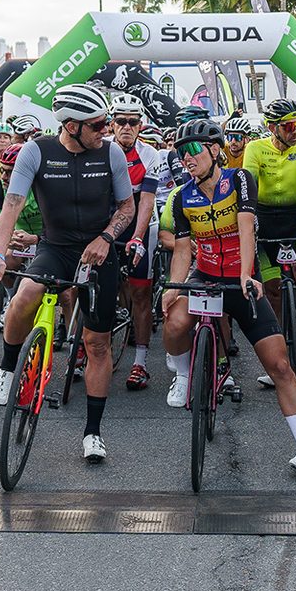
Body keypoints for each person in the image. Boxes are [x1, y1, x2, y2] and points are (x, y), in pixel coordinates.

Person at [0, 84, 136, 463]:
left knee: (97, 344)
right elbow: (11, 207)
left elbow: (127, 208)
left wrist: (106, 238)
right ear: (70, 126)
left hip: (99, 253)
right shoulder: (37, 151)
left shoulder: (111, 153)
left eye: (106, 123)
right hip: (56, 248)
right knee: (24, 295)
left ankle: (92, 432)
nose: (106, 131)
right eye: (98, 125)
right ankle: (6, 367)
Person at [159, 118, 296, 475]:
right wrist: (172, 286)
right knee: (174, 321)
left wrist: (247, 274)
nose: (185, 158)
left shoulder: (239, 180)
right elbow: (183, 251)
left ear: (215, 150)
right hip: (206, 274)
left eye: (192, 151)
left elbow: (247, 229)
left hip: (241, 276)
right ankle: (185, 374)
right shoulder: (184, 195)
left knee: (278, 365)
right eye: (180, 152)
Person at [239, 98, 296, 385]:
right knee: (272, 289)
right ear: (272, 128)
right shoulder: (254, 148)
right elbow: (248, 189)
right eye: (290, 126)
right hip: (265, 219)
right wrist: (248, 220)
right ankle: (276, 356)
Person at [109, 93, 166, 389]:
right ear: (111, 124)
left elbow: (146, 200)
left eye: (132, 122)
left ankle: (140, 363)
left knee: (141, 293)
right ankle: (84, 348)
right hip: (111, 218)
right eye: (121, 121)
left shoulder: (150, 154)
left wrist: (138, 238)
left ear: (141, 125)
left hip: (142, 220)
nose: (126, 127)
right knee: (95, 282)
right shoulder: (102, 150)